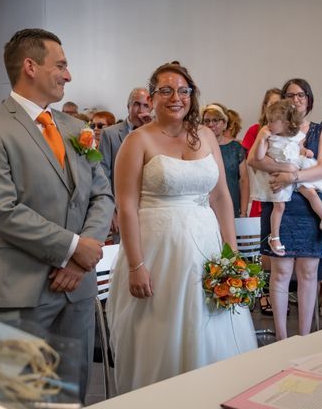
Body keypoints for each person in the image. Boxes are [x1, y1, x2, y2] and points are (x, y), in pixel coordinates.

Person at [0, 28, 114, 402]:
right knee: (16, 397)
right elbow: (2, 211)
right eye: (61, 65)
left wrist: (81, 259)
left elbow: (101, 195)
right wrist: (72, 248)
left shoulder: (75, 128)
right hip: (23, 291)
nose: (68, 75)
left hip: (77, 289)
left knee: (71, 395)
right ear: (30, 66)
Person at [107, 62, 257, 394]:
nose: (176, 97)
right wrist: (136, 265)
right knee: (164, 335)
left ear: (192, 95)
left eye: (183, 90)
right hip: (159, 252)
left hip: (207, 246)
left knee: (212, 328)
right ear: (152, 97)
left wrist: (232, 256)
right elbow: (127, 206)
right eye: (166, 90)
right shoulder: (137, 141)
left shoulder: (205, 135)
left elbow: (220, 197)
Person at [247, 78, 322, 339]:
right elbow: (253, 160)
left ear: (309, 100)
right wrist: (284, 171)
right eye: (290, 95)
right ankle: (282, 338)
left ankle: (305, 337)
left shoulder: (319, 131)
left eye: (301, 96)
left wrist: (292, 177)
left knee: (308, 272)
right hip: (277, 202)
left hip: (307, 206)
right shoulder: (270, 128)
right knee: (281, 271)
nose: (296, 100)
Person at [250, 99, 322, 257]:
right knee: (280, 206)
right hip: (278, 176)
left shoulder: (297, 135)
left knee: (311, 192)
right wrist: (262, 139)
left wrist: (306, 152)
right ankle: (274, 237)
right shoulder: (269, 136)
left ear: (284, 123)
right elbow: (257, 157)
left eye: (272, 121)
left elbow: (300, 147)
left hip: (297, 170)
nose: (268, 124)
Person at [100, 87, 152, 242]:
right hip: (122, 209)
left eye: (146, 106)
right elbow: (103, 176)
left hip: (151, 209)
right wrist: (110, 212)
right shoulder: (110, 134)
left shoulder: (157, 134)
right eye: (136, 104)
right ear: (128, 106)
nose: (140, 110)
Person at [202, 103, 248, 218]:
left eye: (215, 120)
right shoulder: (199, 147)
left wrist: (243, 211)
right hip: (205, 207)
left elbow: (244, 180)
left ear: (224, 123)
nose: (211, 125)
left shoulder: (236, 148)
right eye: (207, 121)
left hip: (231, 204)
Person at [242, 88, 282, 217]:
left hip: (285, 192)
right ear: (265, 107)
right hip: (263, 188)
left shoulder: (290, 133)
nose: (276, 109)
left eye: (280, 105)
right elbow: (254, 162)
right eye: (272, 105)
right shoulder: (255, 131)